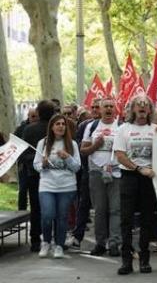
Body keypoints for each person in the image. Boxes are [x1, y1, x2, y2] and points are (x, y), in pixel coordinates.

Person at [114, 95, 157, 275]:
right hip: (130, 177)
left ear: (149, 110)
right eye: (138, 105)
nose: (142, 107)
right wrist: (139, 168)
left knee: (147, 219)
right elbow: (120, 155)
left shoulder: (156, 129)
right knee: (126, 220)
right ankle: (126, 261)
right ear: (132, 109)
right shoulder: (124, 129)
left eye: (145, 105)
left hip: (149, 179)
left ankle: (145, 260)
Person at [33, 114, 81, 258]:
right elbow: (36, 164)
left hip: (67, 186)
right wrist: (44, 164)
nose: (61, 126)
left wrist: (68, 157)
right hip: (47, 185)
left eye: (63, 124)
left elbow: (77, 167)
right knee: (47, 215)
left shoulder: (72, 144)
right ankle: (46, 242)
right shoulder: (43, 143)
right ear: (52, 127)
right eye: (57, 124)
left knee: (62, 217)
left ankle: (59, 245)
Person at [81, 97, 121, 257]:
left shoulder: (122, 126)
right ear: (100, 109)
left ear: (116, 109)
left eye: (112, 106)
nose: (109, 109)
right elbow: (83, 150)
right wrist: (95, 146)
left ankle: (115, 244)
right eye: (106, 106)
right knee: (99, 210)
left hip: (116, 173)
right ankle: (100, 243)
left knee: (116, 209)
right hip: (96, 172)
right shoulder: (92, 126)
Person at [20, 100, 56, 252]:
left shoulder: (29, 129)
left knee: (35, 207)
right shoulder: (56, 128)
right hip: (54, 174)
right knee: (54, 206)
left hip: (34, 174)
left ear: (39, 113)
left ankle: (35, 240)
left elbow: (24, 152)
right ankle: (52, 238)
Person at [67, 98, 101, 250]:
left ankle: (106, 239)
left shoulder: (116, 125)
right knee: (84, 203)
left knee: (106, 207)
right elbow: (79, 147)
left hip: (109, 172)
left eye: (97, 107)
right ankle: (77, 236)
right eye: (92, 107)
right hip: (87, 171)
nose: (94, 109)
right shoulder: (84, 126)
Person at [14, 107, 38, 210]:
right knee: (23, 189)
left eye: (36, 116)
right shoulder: (21, 128)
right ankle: (21, 211)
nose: (35, 119)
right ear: (28, 116)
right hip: (24, 164)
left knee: (34, 192)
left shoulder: (40, 127)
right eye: (32, 116)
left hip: (35, 164)